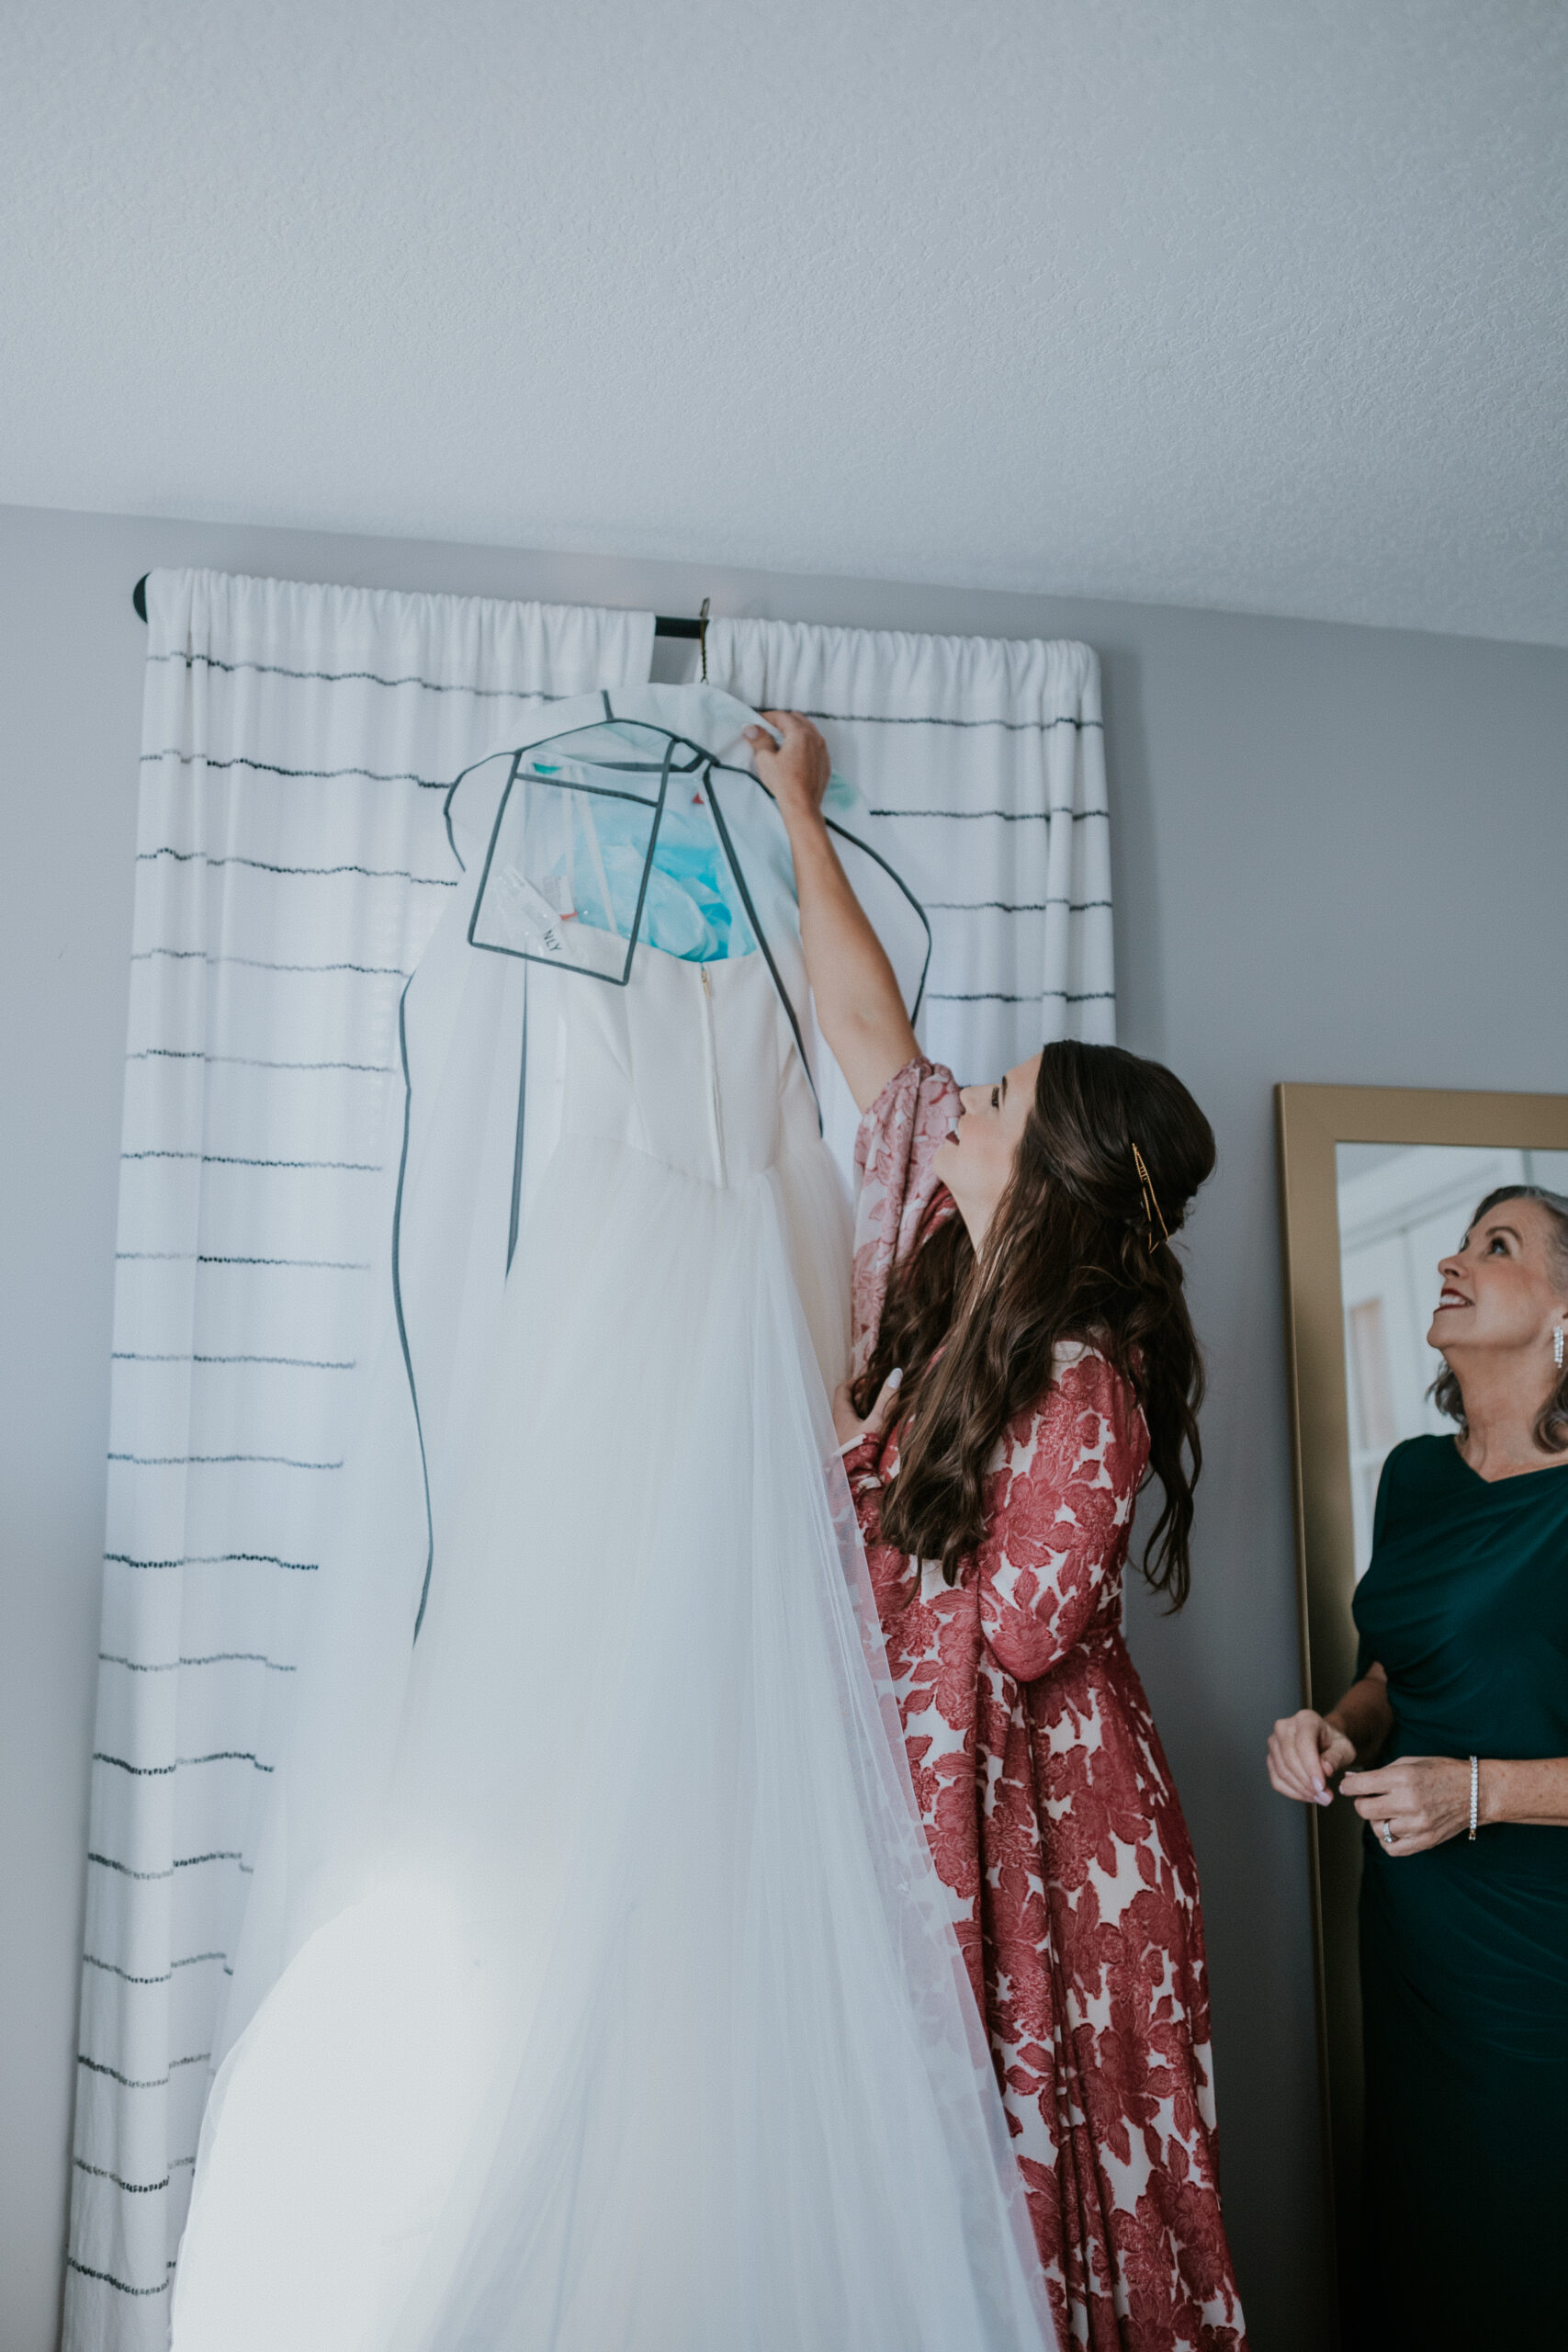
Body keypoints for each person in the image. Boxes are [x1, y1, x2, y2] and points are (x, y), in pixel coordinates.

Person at [750, 712, 1247, 2352]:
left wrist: (867, 1469)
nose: (964, 1094)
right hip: (931, 1794)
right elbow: (866, 1035)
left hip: (1048, 1846)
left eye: (1006, 1093)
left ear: (1049, 1173)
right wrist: (796, 814)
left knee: (1028, 2203)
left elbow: (1021, 1627)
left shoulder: (1086, 1381)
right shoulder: (941, 1266)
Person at [1267, 1183, 1568, 2348]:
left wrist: (1478, 1789)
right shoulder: (1413, 1478)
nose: (1456, 1258)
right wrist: (1336, 1728)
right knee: (1429, 2237)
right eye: (1460, 1239)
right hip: (1415, 1929)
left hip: (1542, 1950)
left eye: (1498, 1246)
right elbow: (1393, 1676)